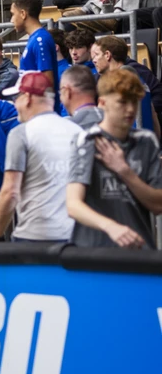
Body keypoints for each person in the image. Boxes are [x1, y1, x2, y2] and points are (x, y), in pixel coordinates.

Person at [67, 68, 162, 248]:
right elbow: (73, 205)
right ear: (102, 103)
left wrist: (125, 171)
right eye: (122, 102)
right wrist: (110, 227)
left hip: (138, 249)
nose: (130, 109)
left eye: (134, 101)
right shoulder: (87, 140)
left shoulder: (146, 141)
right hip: (95, 250)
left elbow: (158, 205)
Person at [0, 71, 79, 243]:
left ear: (27, 98)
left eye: (16, 98)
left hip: (34, 235)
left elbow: (10, 191)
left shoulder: (22, 133)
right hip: (73, 235)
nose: (15, 104)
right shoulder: (76, 131)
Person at [11, 0, 58, 108]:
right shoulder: (34, 39)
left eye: (13, 14)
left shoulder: (40, 40)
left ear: (23, 14)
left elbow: (47, 83)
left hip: (41, 111)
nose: (11, 20)